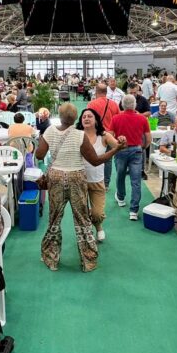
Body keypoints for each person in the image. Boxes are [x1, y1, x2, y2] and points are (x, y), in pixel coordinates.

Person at [35, 103, 123, 272]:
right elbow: (95, 161)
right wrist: (115, 150)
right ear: (76, 118)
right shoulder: (79, 136)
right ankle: (88, 260)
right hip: (76, 178)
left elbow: (39, 154)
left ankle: (51, 258)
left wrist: (44, 141)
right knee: (82, 219)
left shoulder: (50, 131)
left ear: (59, 116)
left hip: (56, 178)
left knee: (54, 218)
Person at [77, 108, 120, 241]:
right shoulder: (76, 135)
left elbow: (118, 146)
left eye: (90, 116)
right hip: (79, 180)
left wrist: (122, 140)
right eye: (84, 116)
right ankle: (86, 232)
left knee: (97, 213)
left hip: (97, 180)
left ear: (96, 120)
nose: (86, 118)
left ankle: (99, 227)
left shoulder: (104, 136)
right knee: (81, 211)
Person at [110, 95, 151, 220]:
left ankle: (121, 198)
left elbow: (111, 137)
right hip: (137, 151)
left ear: (122, 104)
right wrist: (142, 147)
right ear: (135, 105)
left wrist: (115, 148)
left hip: (121, 150)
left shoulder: (115, 118)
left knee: (120, 175)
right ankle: (134, 210)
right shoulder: (142, 119)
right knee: (136, 180)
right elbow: (148, 138)